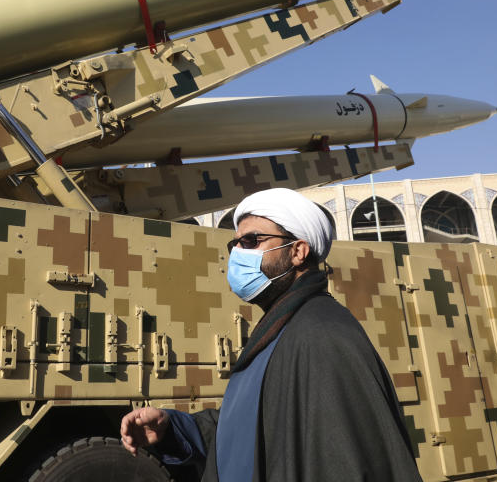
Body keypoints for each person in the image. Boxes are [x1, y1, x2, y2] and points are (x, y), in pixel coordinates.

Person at [120, 188, 422, 481]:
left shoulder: (321, 335)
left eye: (252, 240)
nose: (238, 253)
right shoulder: (280, 329)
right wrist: (173, 428)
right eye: (236, 244)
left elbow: (346, 462)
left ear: (298, 251)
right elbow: (251, 433)